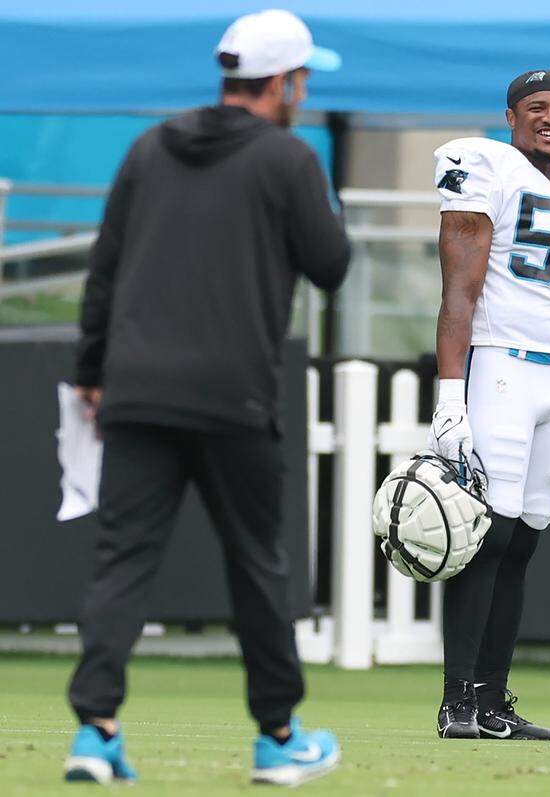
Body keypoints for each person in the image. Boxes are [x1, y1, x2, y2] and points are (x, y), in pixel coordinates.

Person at [65, 9, 348, 786]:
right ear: (285, 81)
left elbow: (104, 269)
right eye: (304, 79)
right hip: (233, 399)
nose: (305, 92)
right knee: (257, 566)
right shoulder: (290, 160)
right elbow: (331, 265)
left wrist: (91, 370)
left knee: (122, 562)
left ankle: (94, 731)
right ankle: (280, 737)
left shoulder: (148, 147)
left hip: (137, 390)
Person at [429, 69, 550, 741]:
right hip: (500, 366)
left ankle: (491, 698)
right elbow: (460, 287)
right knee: (487, 538)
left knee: (524, 542)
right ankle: (457, 699)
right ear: (510, 115)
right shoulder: (483, 165)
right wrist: (451, 393)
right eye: (537, 106)